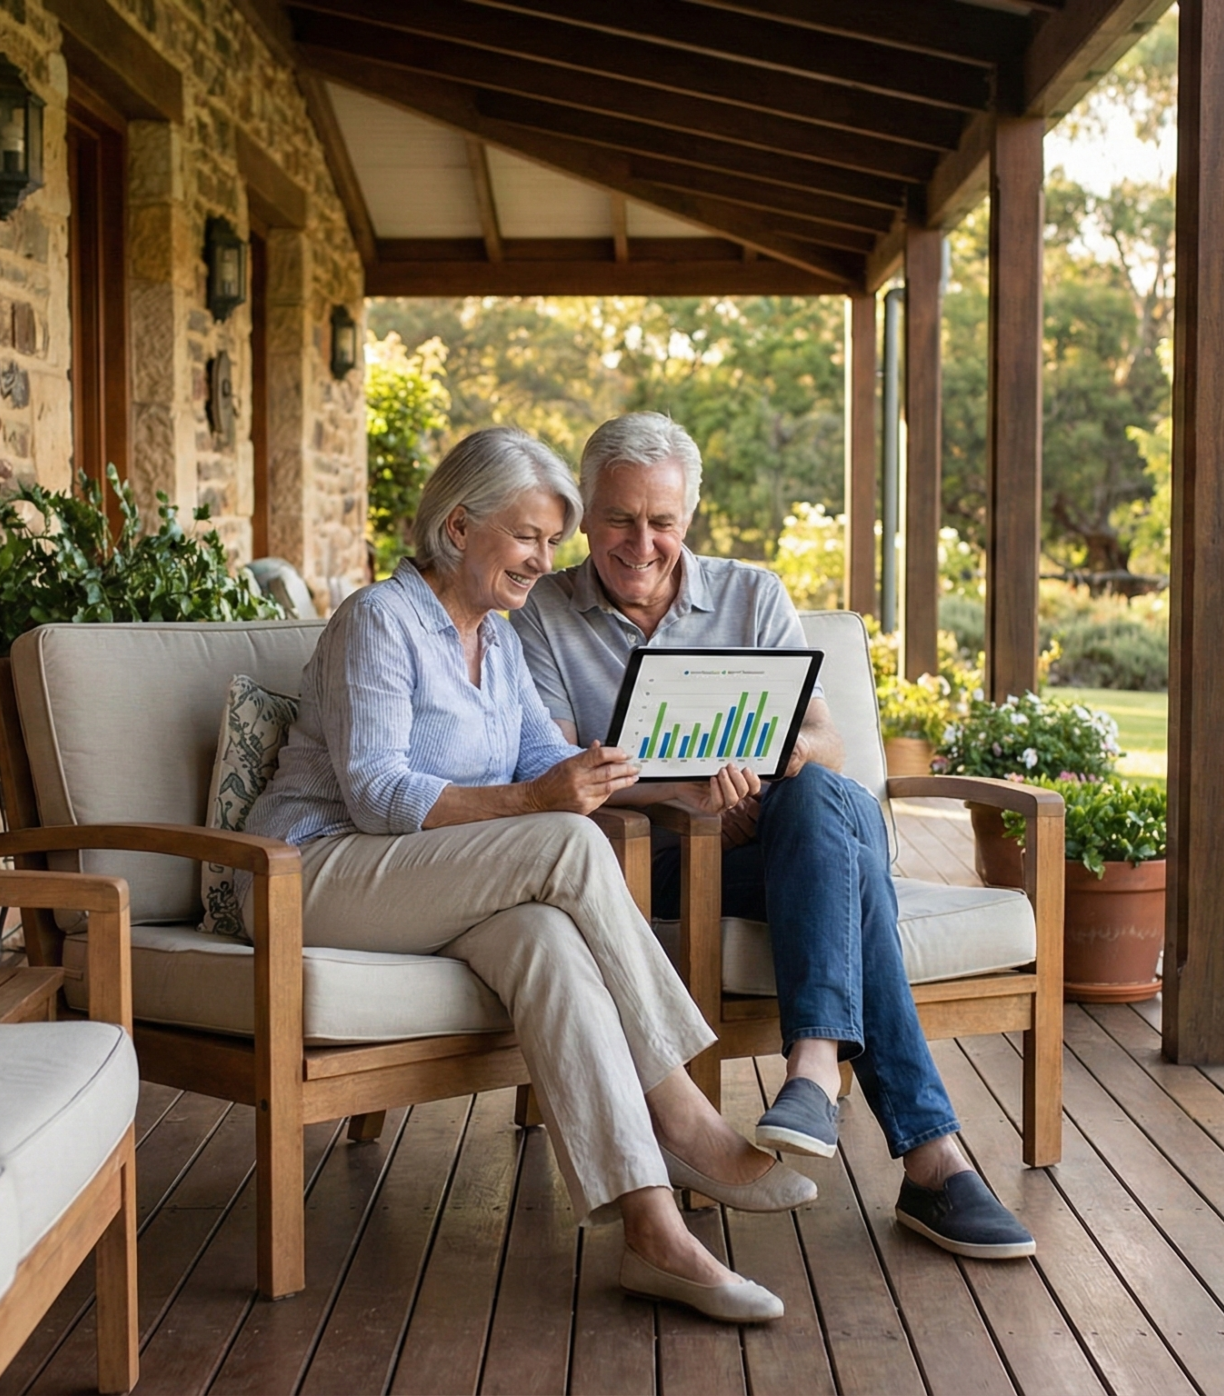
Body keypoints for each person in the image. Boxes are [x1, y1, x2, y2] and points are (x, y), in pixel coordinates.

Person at [241, 425, 812, 1322]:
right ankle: (685, 1112)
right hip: (312, 872)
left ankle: (654, 1232)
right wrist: (537, 800)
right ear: (460, 528)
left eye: (554, 540)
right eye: (529, 537)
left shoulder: (500, 642)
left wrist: (655, 772)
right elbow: (379, 791)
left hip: (428, 878)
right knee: (567, 843)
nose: (547, 560)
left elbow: (548, 756)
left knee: (546, 937)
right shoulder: (378, 622)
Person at [509, 412, 1037, 1260]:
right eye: (619, 518)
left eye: (663, 521)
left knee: (819, 795)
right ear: (587, 511)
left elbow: (827, 741)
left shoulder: (752, 594)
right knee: (848, 855)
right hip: (656, 862)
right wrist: (694, 794)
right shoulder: (541, 616)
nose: (642, 542)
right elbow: (561, 770)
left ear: (690, 518)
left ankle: (817, 1070)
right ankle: (922, 1151)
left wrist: (777, 756)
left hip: (775, 846)